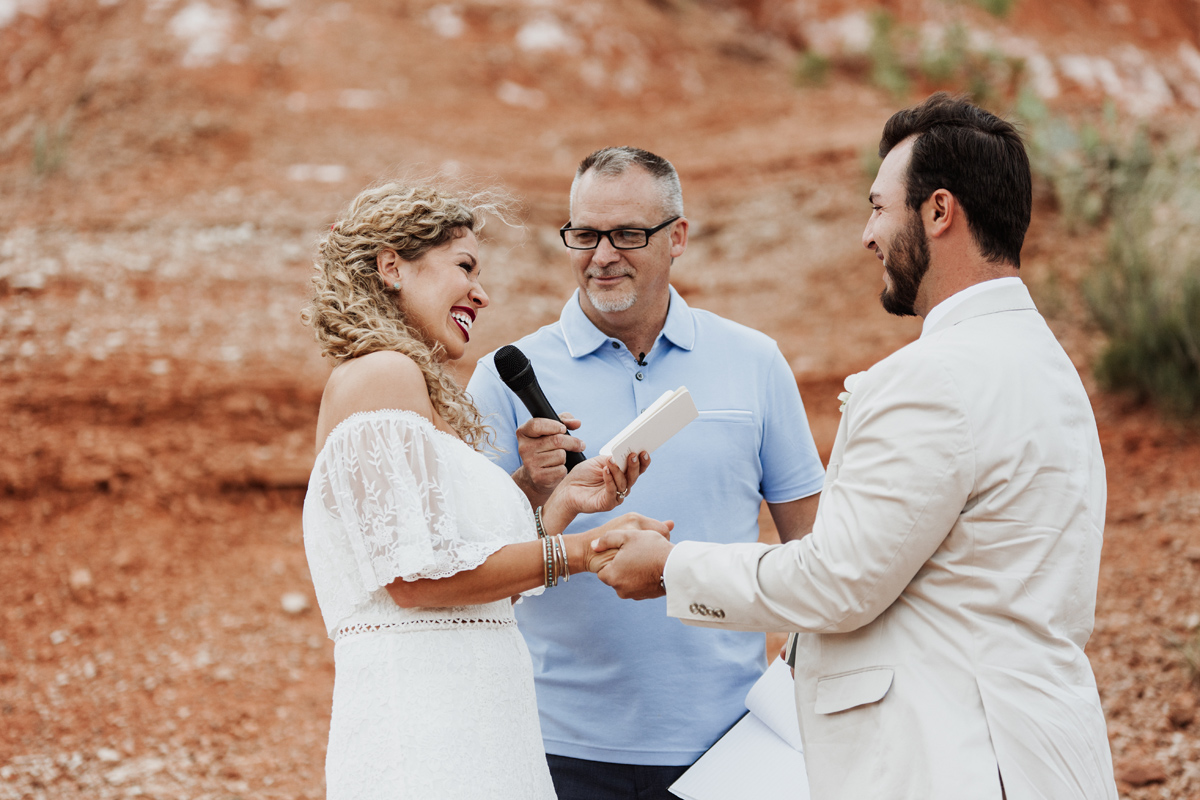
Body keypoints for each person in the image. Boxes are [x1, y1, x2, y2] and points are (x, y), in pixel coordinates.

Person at [594, 93, 1119, 799]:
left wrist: (671, 571)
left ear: (939, 212)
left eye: (879, 207)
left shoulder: (933, 377)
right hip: (1042, 757)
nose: (866, 235)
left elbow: (838, 581)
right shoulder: (1048, 364)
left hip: (949, 762)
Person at [466, 147, 826, 799]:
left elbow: (817, 554)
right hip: (552, 745)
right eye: (584, 233)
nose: (601, 255)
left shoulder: (754, 361)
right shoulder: (503, 376)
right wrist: (532, 491)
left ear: (677, 237)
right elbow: (473, 574)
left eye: (628, 234)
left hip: (733, 743)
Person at [299, 180, 670, 800]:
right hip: (424, 740)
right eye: (464, 266)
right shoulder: (380, 376)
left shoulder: (414, 391)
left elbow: (472, 575)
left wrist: (561, 500)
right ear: (392, 267)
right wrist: (585, 552)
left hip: (481, 729)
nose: (482, 292)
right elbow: (414, 581)